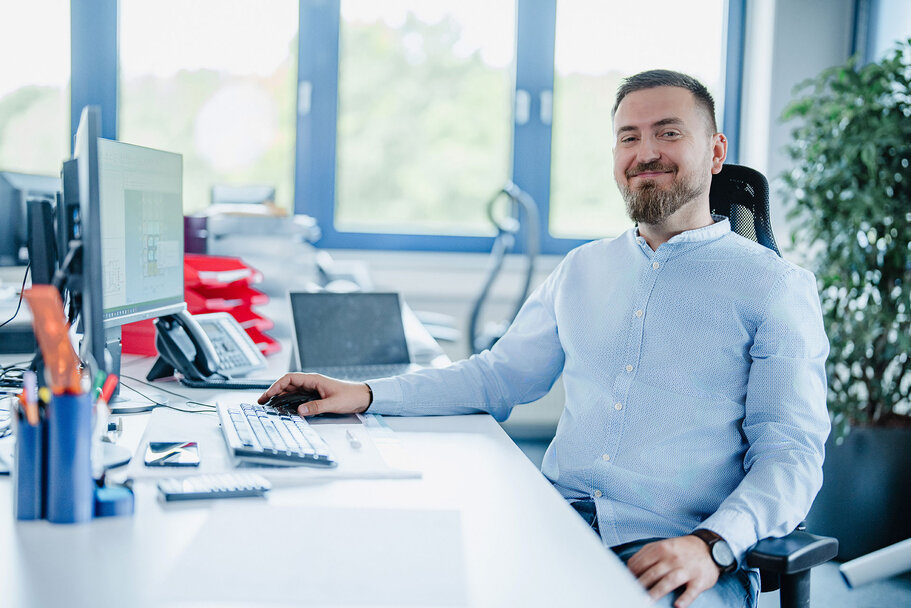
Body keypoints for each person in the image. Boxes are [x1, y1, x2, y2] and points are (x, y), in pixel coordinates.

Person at [260, 70, 830, 608]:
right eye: (628, 137)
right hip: (553, 526)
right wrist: (365, 393)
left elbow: (791, 454)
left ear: (715, 151)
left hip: (678, 549)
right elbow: (499, 376)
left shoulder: (775, 287)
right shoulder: (582, 269)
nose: (645, 152)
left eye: (669, 133)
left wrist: (713, 544)